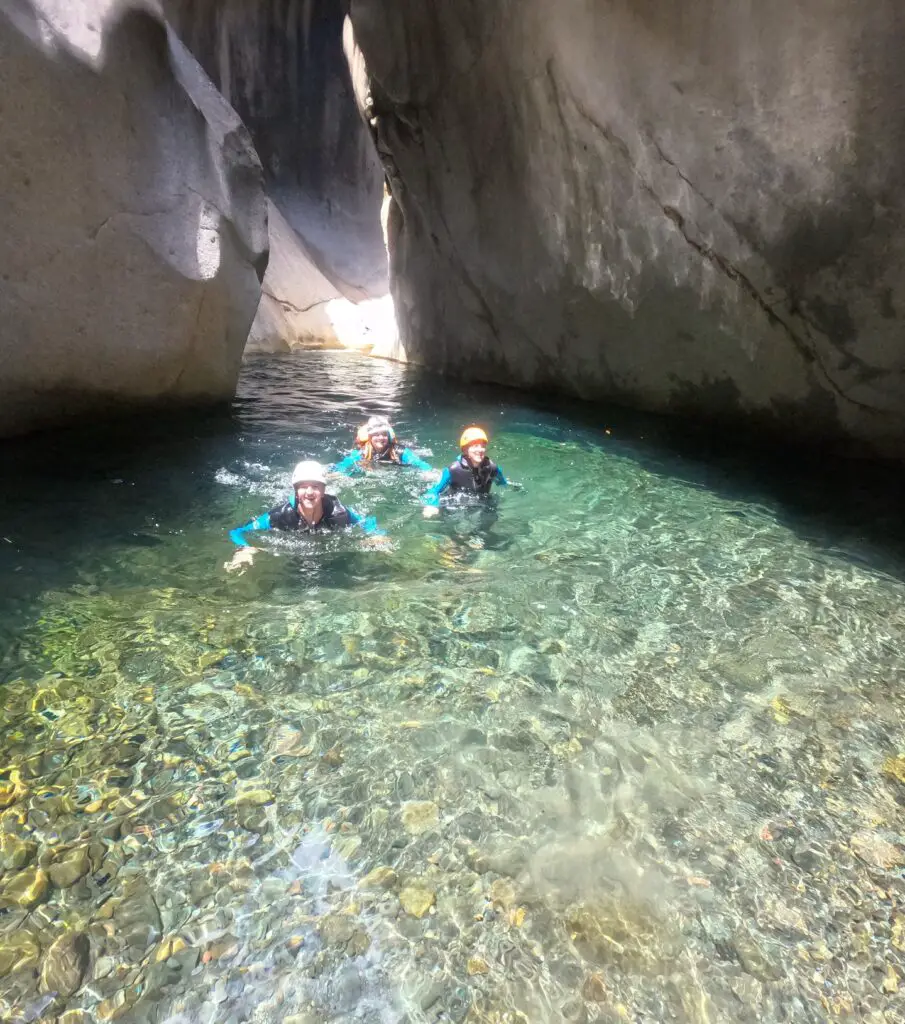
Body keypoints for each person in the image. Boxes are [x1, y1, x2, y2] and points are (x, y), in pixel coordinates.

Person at [225, 460, 384, 572]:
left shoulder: (339, 512)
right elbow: (237, 531)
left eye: (315, 486)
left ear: (323, 490)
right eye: (303, 487)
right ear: (295, 490)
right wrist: (244, 549)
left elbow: (367, 521)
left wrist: (377, 535)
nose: (309, 492)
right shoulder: (279, 516)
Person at [422, 427, 508, 517]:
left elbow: (503, 484)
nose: (480, 450)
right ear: (465, 450)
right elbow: (432, 491)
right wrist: (432, 505)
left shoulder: (492, 468)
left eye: (482, 446)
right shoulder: (453, 470)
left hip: (482, 501)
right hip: (454, 504)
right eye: (475, 446)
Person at [331, 415, 433, 475]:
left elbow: (419, 463)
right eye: (376, 435)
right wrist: (334, 473)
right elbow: (344, 465)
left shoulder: (401, 452)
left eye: (384, 434)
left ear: (388, 436)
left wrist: (429, 473)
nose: (381, 438)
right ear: (370, 437)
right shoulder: (362, 452)